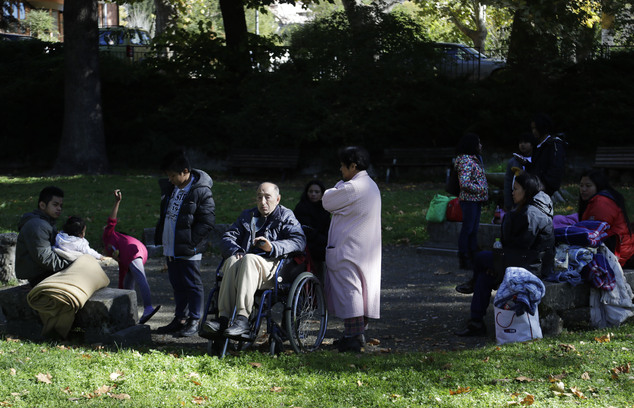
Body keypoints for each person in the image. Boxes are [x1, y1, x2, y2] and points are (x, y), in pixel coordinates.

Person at [200, 182, 306, 338]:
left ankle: (242, 318)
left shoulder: (285, 216)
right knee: (231, 261)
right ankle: (223, 319)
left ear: (277, 199)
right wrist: (236, 251)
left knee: (250, 259)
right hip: (246, 266)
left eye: (267, 197)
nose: (263, 202)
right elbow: (227, 237)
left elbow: (299, 241)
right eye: (259, 197)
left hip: (273, 267)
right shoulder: (247, 216)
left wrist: (272, 247)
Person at [455, 173, 555, 337]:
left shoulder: (531, 213)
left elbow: (521, 247)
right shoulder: (528, 209)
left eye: (516, 189)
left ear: (527, 191)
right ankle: (476, 323)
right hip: (521, 260)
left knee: (481, 259)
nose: (512, 193)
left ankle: (472, 286)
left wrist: (499, 265)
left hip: (532, 266)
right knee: (484, 277)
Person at [322, 146, 382, 353]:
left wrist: (339, 185)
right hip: (364, 249)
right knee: (360, 292)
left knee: (351, 292)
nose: (340, 169)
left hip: (349, 249)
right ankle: (353, 335)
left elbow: (327, 200)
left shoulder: (351, 187)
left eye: (342, 165)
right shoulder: (371, 185)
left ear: (353, 166)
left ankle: (354, 338)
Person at [154, 150, 215, 337]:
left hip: (189, 248)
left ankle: (195, 320)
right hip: (171, 245)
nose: (170, 179)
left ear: (185, 171)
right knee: (177, 283)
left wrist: (191, 242)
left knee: (192, 283)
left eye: (172, 175)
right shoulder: (172, 188)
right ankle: (180, 318)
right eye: (168, 176)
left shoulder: (201, 191)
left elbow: (207, 221)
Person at [103, 189, 161, 324]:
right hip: (138, 250)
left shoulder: (108, 236)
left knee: (140, 278)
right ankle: (128, 315)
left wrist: (117, 202)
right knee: (127, 286)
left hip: (133, 250)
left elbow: (111, 220)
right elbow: (121, 284)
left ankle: (148, 307)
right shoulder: (120, 258)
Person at [15, 186, 72, 286]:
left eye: (60, 205)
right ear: (42, 205)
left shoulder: (46, 222)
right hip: (40, 276)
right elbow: (45, 259)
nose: (59, 208)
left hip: (45, 272)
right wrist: (70, 263)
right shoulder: (37, 226)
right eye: (55, 205)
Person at [577, 169, 634, 267]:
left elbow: (595, 233)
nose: (583, 189)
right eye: (581, 185)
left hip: (619, 254)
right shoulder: (597, 200)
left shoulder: (601, 202)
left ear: (598, 186)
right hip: (618, 250)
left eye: (588, 186)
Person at [454, 133, 488, 273]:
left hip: (475, 199)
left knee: (473, 229)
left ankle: (473, 256)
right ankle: (465, 257)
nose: (481, 145)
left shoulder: (474, 160)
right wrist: (481, 189)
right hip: (469, 200)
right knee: (468, 229)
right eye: (478, 143)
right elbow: (465, 183)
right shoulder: (467, 161)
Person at [293, 179, 330, 273]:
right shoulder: (301, 207)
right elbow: (307, 230)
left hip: (322, 243)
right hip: (307, 244)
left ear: (322, 194)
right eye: (311, 191)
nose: (313, 194)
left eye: (317, 192)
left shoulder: (325, 209)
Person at [527, 113, 566, 197]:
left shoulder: (554, 145)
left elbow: (555, 170)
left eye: (535, 128)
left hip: (545, 187)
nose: (533, 131)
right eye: (532, 128)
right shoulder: (539, 146)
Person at [503, 132, 536, 212]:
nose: (522, 145)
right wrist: (508, 203)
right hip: (517, 199)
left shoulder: (537, 160)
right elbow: (508, 182)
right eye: (520, 142)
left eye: (525, 142)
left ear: (532, 144)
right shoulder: (513, 161)